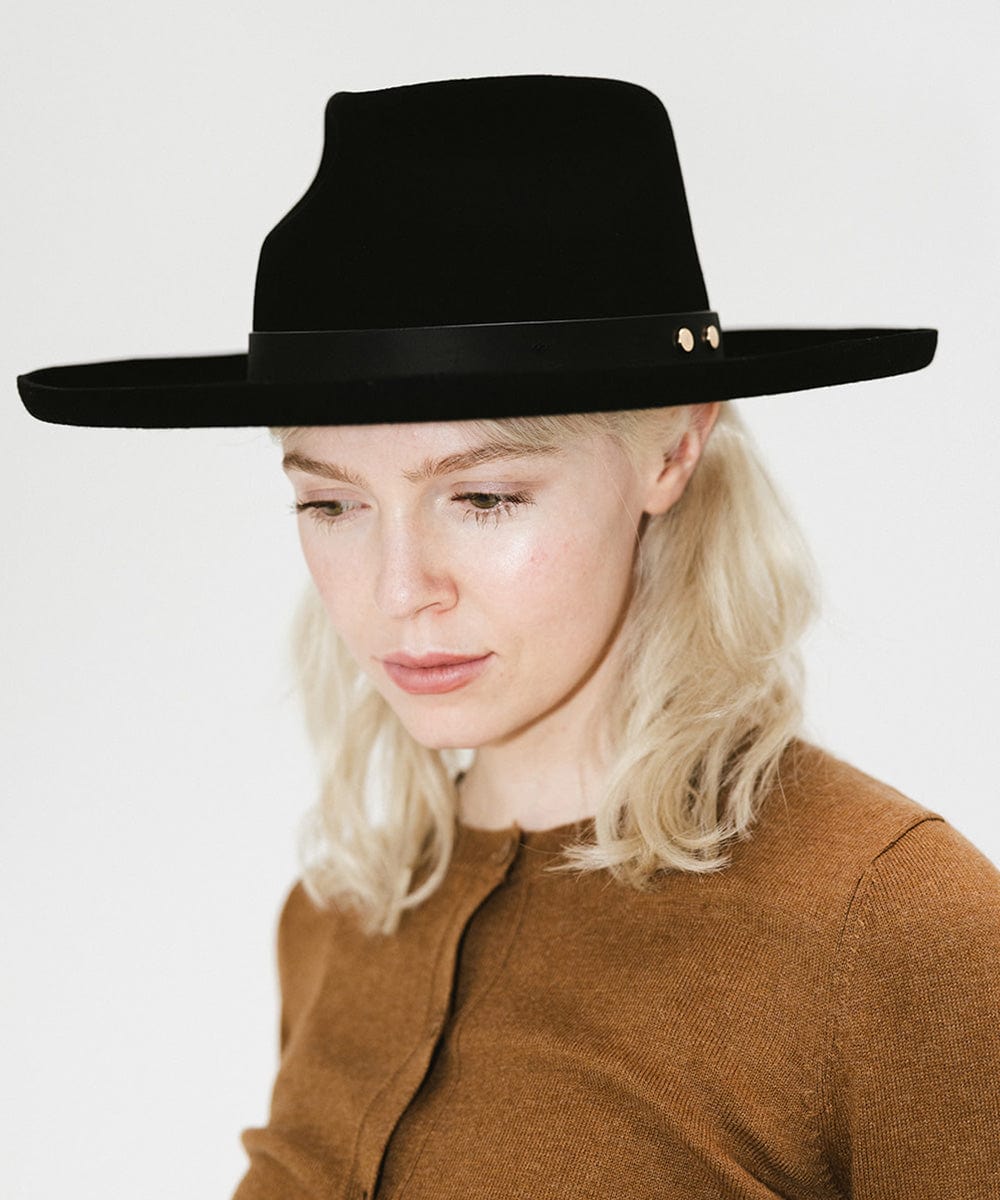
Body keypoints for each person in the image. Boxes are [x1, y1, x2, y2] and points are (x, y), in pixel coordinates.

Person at [17, 74, 1000, 1199]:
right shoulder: (340, 919)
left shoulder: (891, 926)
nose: (399, 592)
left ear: (671, 450)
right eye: (330, 504)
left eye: (483, 500)